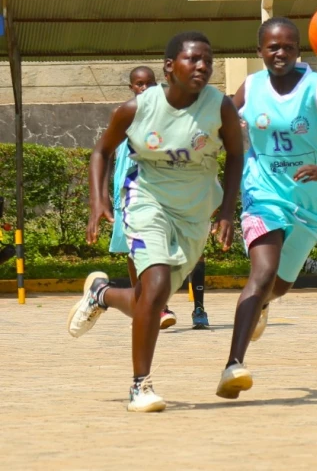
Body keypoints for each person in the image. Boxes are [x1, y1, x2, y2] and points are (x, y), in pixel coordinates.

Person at [69, 32, 244, 412]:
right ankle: (140, 385)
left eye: (208, 61)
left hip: (194, 210)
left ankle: (100, 294)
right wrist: (98, 200)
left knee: (152, 298)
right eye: (193, 59)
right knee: (157, 282)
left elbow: (235, 156)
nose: (202, 67)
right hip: (146, 199)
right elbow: (101, 150)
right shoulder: (136, 109)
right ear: (170, 66)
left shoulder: (220, 108)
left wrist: (228, 211)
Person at [216, 17, 317, 398]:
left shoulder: (316, 88)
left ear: (299, 50)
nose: (280, 53)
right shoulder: (251, 86)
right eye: (272, 47)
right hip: (263, 193)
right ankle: (233, 365)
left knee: (279, 286)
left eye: (288, 46)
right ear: (260, 51)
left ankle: (263, 304)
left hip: (311, 204)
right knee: (262, 272)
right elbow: (220, 122)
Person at [106, 66, 190, 328]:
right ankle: (144, 302)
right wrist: (102, 195)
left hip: (158, 187)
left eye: (149, 83)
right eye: (138, 84)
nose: (144, 88)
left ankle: (158, 304)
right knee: (134, 249)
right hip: (128, 188)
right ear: (131, 87)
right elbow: (107, 154)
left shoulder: (165, 113)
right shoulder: (124, 114)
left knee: (159, 244)